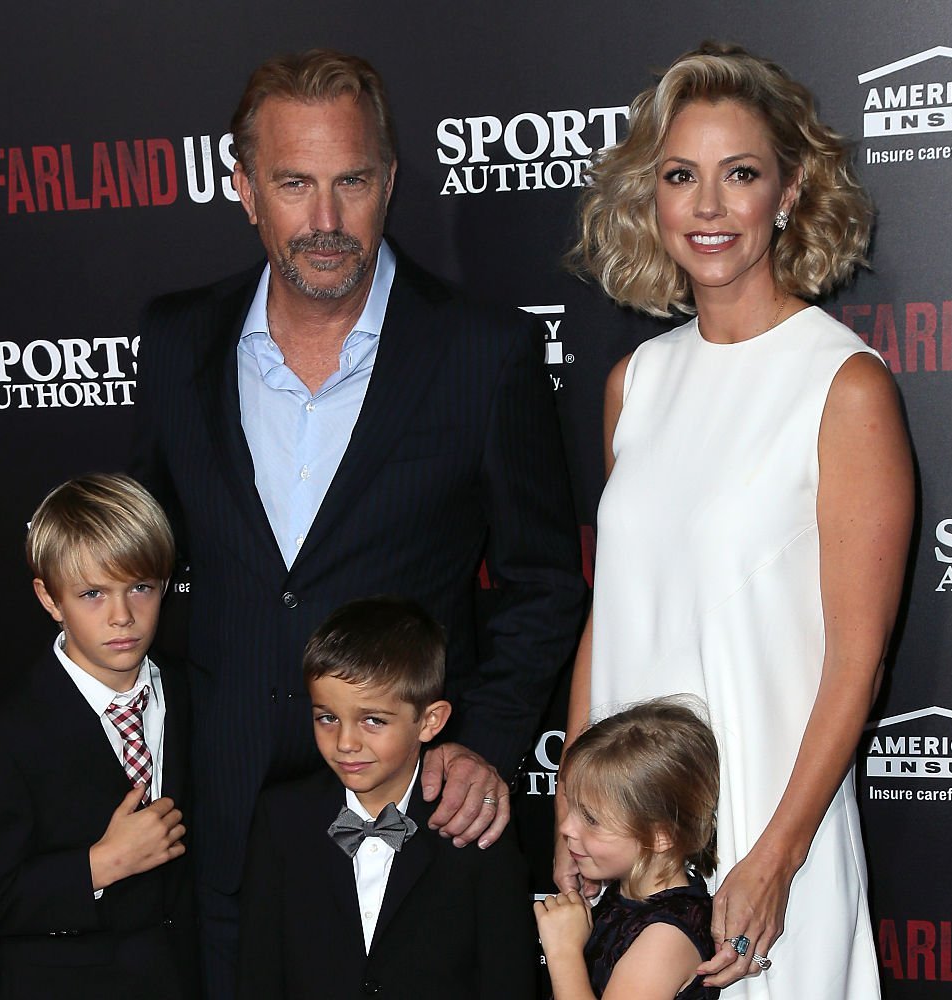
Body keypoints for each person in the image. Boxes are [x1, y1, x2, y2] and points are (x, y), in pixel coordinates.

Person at [131, 48, 584, 996]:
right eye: (294, 183)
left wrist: (484, 744)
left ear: (390, 181)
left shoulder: (482, 350)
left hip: (415, 821)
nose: (326, 221)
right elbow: (135, 560)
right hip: (225, 821)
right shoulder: (176, 343)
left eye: (352, 183)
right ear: (245, 187)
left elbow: (544, 582)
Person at [556, 41, 913, 999]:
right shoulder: (637, 382)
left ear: (789, 191)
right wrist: (575, 815)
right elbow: (614, 607)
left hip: (766, 820)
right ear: (652, 197)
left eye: (740, 174)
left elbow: (856, 662)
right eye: (681, 176)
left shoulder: (842, 385)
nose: (709, 207)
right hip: (635, 840)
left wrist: (776, 858)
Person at [0, 474, 197, 1000]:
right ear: (50, 598)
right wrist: (101, 864)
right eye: (92, 594)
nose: (122, 616)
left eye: (140, 587)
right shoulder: (3, 736)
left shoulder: (195, 694)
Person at [237, 596, 537, 999]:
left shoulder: (473, 823)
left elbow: (507, 981)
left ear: (430, 721)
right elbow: (259, 975)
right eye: (327, 717)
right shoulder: (282, 817)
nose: (345, 742)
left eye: (373, 720)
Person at [537, 698, 720, 1000]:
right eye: (570, 807)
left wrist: (563, 953)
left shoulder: (666, 937)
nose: (566, 828)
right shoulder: (630, 898)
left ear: (660, 835)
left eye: (591, 819)